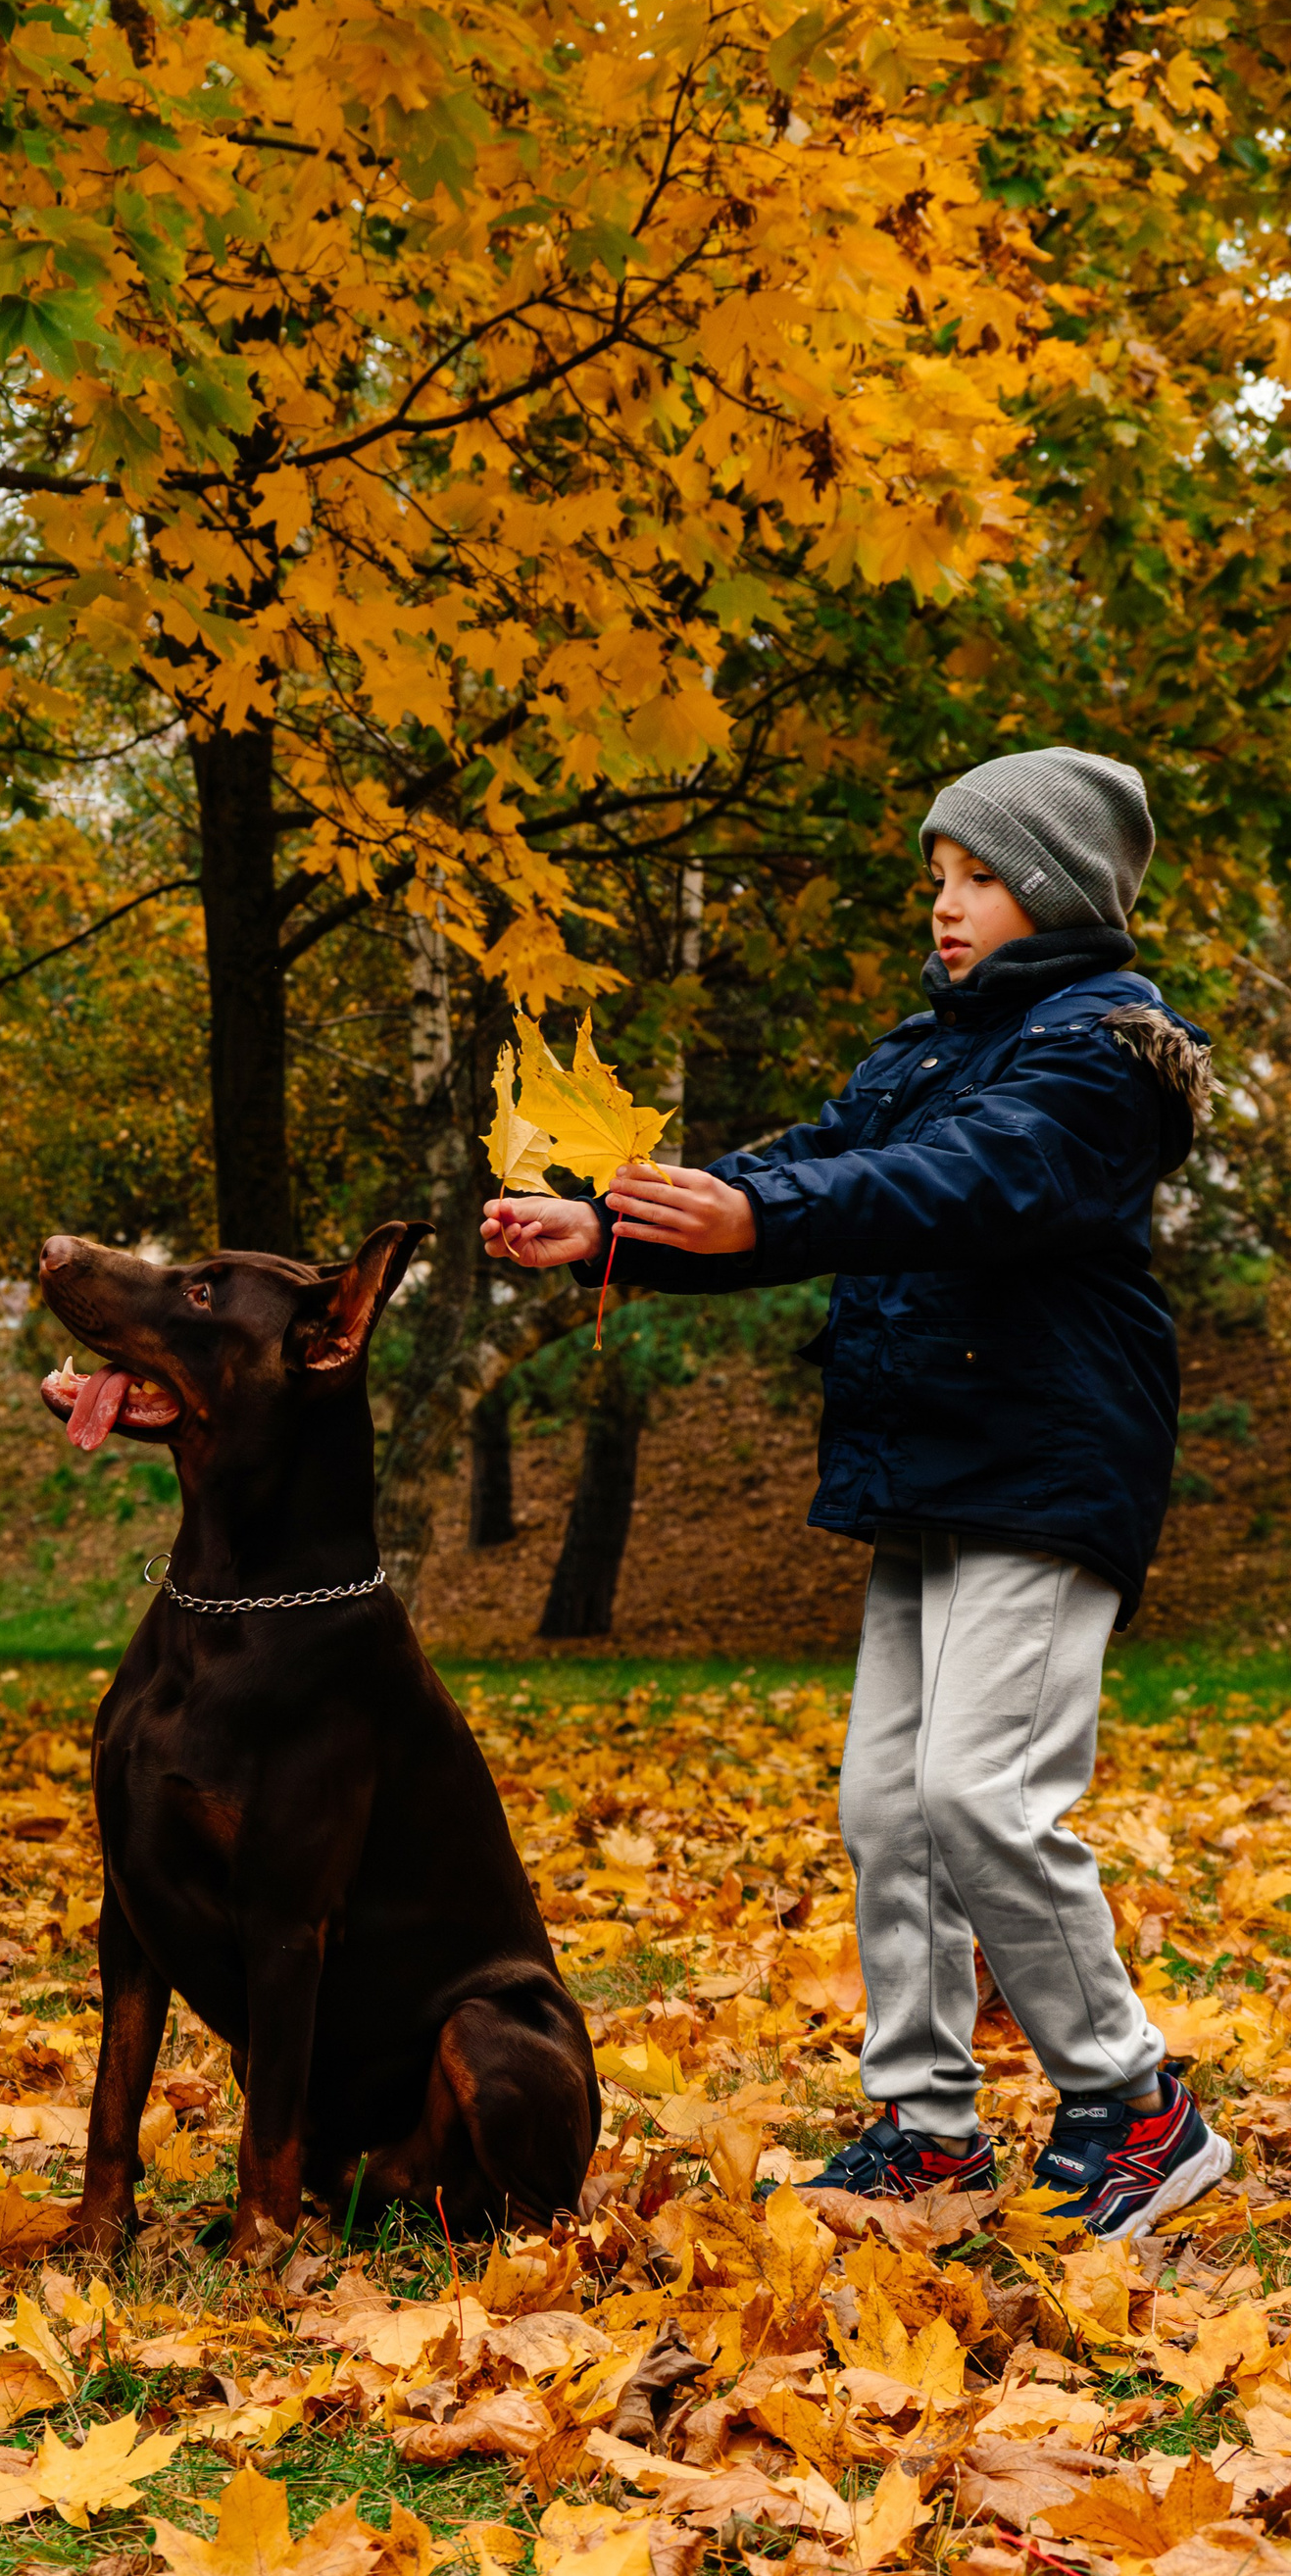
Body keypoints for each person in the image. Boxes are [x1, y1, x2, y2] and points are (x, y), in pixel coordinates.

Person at [483, 747, 1229, 2240]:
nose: (947, 908)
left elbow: (972, 1180)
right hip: (928, 1468)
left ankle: (1139, 2102)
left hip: (1048, 1463)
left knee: (982, 1795)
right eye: (938, 879)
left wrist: (773, 1203)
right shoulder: (921, 1049)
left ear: (1065, 887)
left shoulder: (1106, 1051)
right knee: (889, 1806)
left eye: (983, 877)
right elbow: (811, 1171)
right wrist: (616, 1232)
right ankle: (928, 2128)